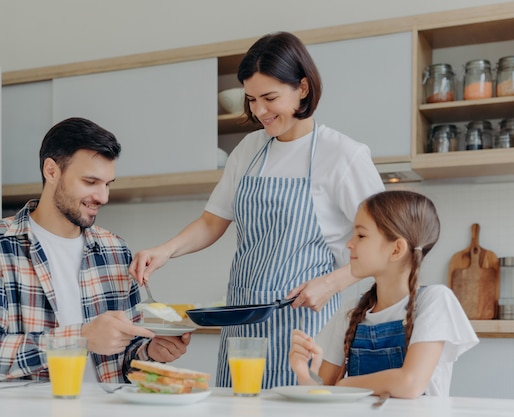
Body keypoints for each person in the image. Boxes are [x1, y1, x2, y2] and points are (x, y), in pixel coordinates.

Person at [128, 32, 385, 388]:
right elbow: (211, 221)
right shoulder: (250, 150)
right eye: (251, 99)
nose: (259, 111)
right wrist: (165, 251)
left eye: (270, 98)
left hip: (307, 326)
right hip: (244, 326)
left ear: (303, 89)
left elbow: (388, 241)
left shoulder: (342, 155)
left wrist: (331, 283)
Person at [0, 117, 190, 383]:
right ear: (52, 171)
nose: (103, 197)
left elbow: (126, 360)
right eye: (90, 182)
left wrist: (150, 352)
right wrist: (80, 338)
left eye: (107, 184)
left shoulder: (115, 250)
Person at [289, 190, 479, 397]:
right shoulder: (351, 310)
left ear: (396, 249)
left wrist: (344, 385)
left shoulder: (434, 300)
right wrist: (304, 375)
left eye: (361, 235)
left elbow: (410, 383)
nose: (349, 244)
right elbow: (324, 393)